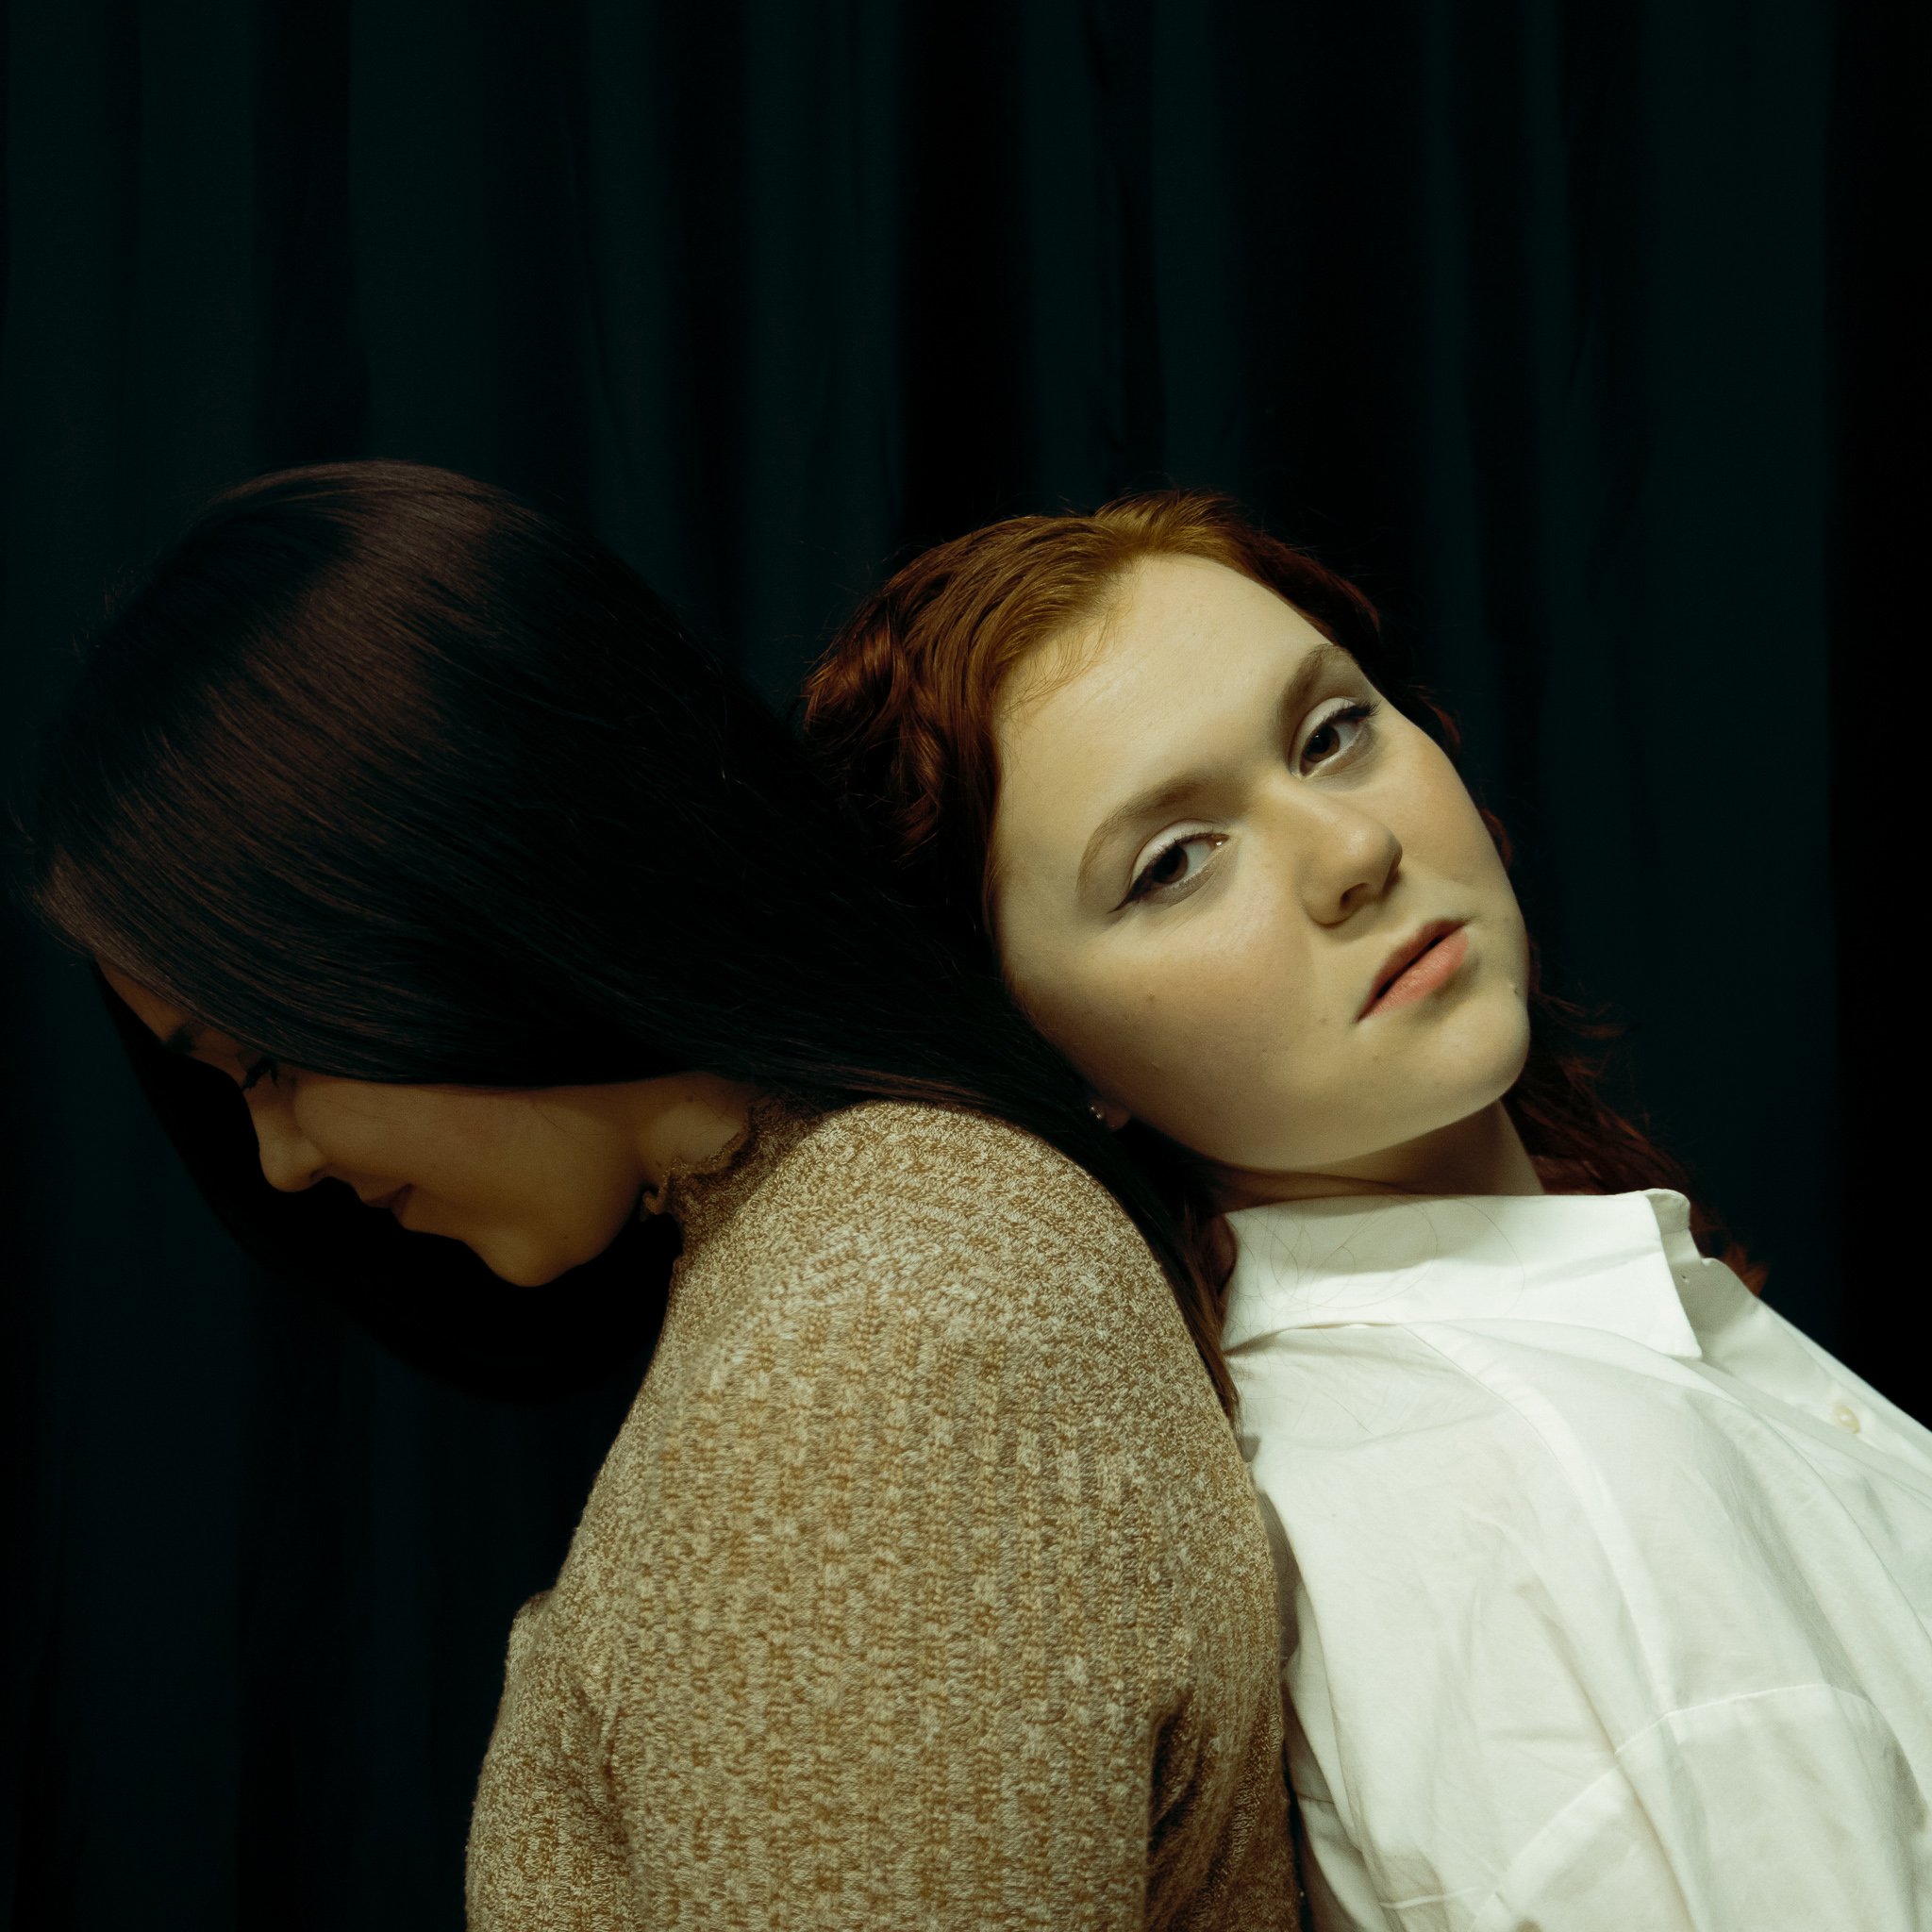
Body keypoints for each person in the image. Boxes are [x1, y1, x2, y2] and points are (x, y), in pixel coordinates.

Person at [13, 462, 1301, 1929]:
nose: (282, 1160)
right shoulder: (854, 1252)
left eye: (261, 1061)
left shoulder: (873, 1346)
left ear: (445, 897)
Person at [801, 489, 1932, 1929]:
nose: (1351, 853)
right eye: (1173, 863)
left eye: (1332, 733)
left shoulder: (1555, 1383)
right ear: (1048, 1061)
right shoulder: (1529, 1492)